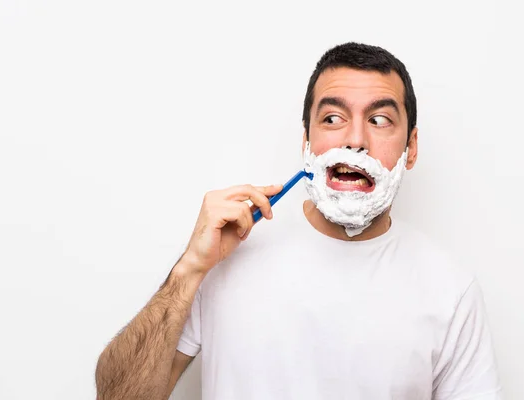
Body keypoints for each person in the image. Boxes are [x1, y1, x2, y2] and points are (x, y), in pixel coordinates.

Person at [95, 42, 502, 400]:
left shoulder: (450, 290)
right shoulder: (229, 251)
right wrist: (188, 271)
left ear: (411, 148)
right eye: (332, 119)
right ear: (306, 143)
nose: (355, 139)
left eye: (379, 120)